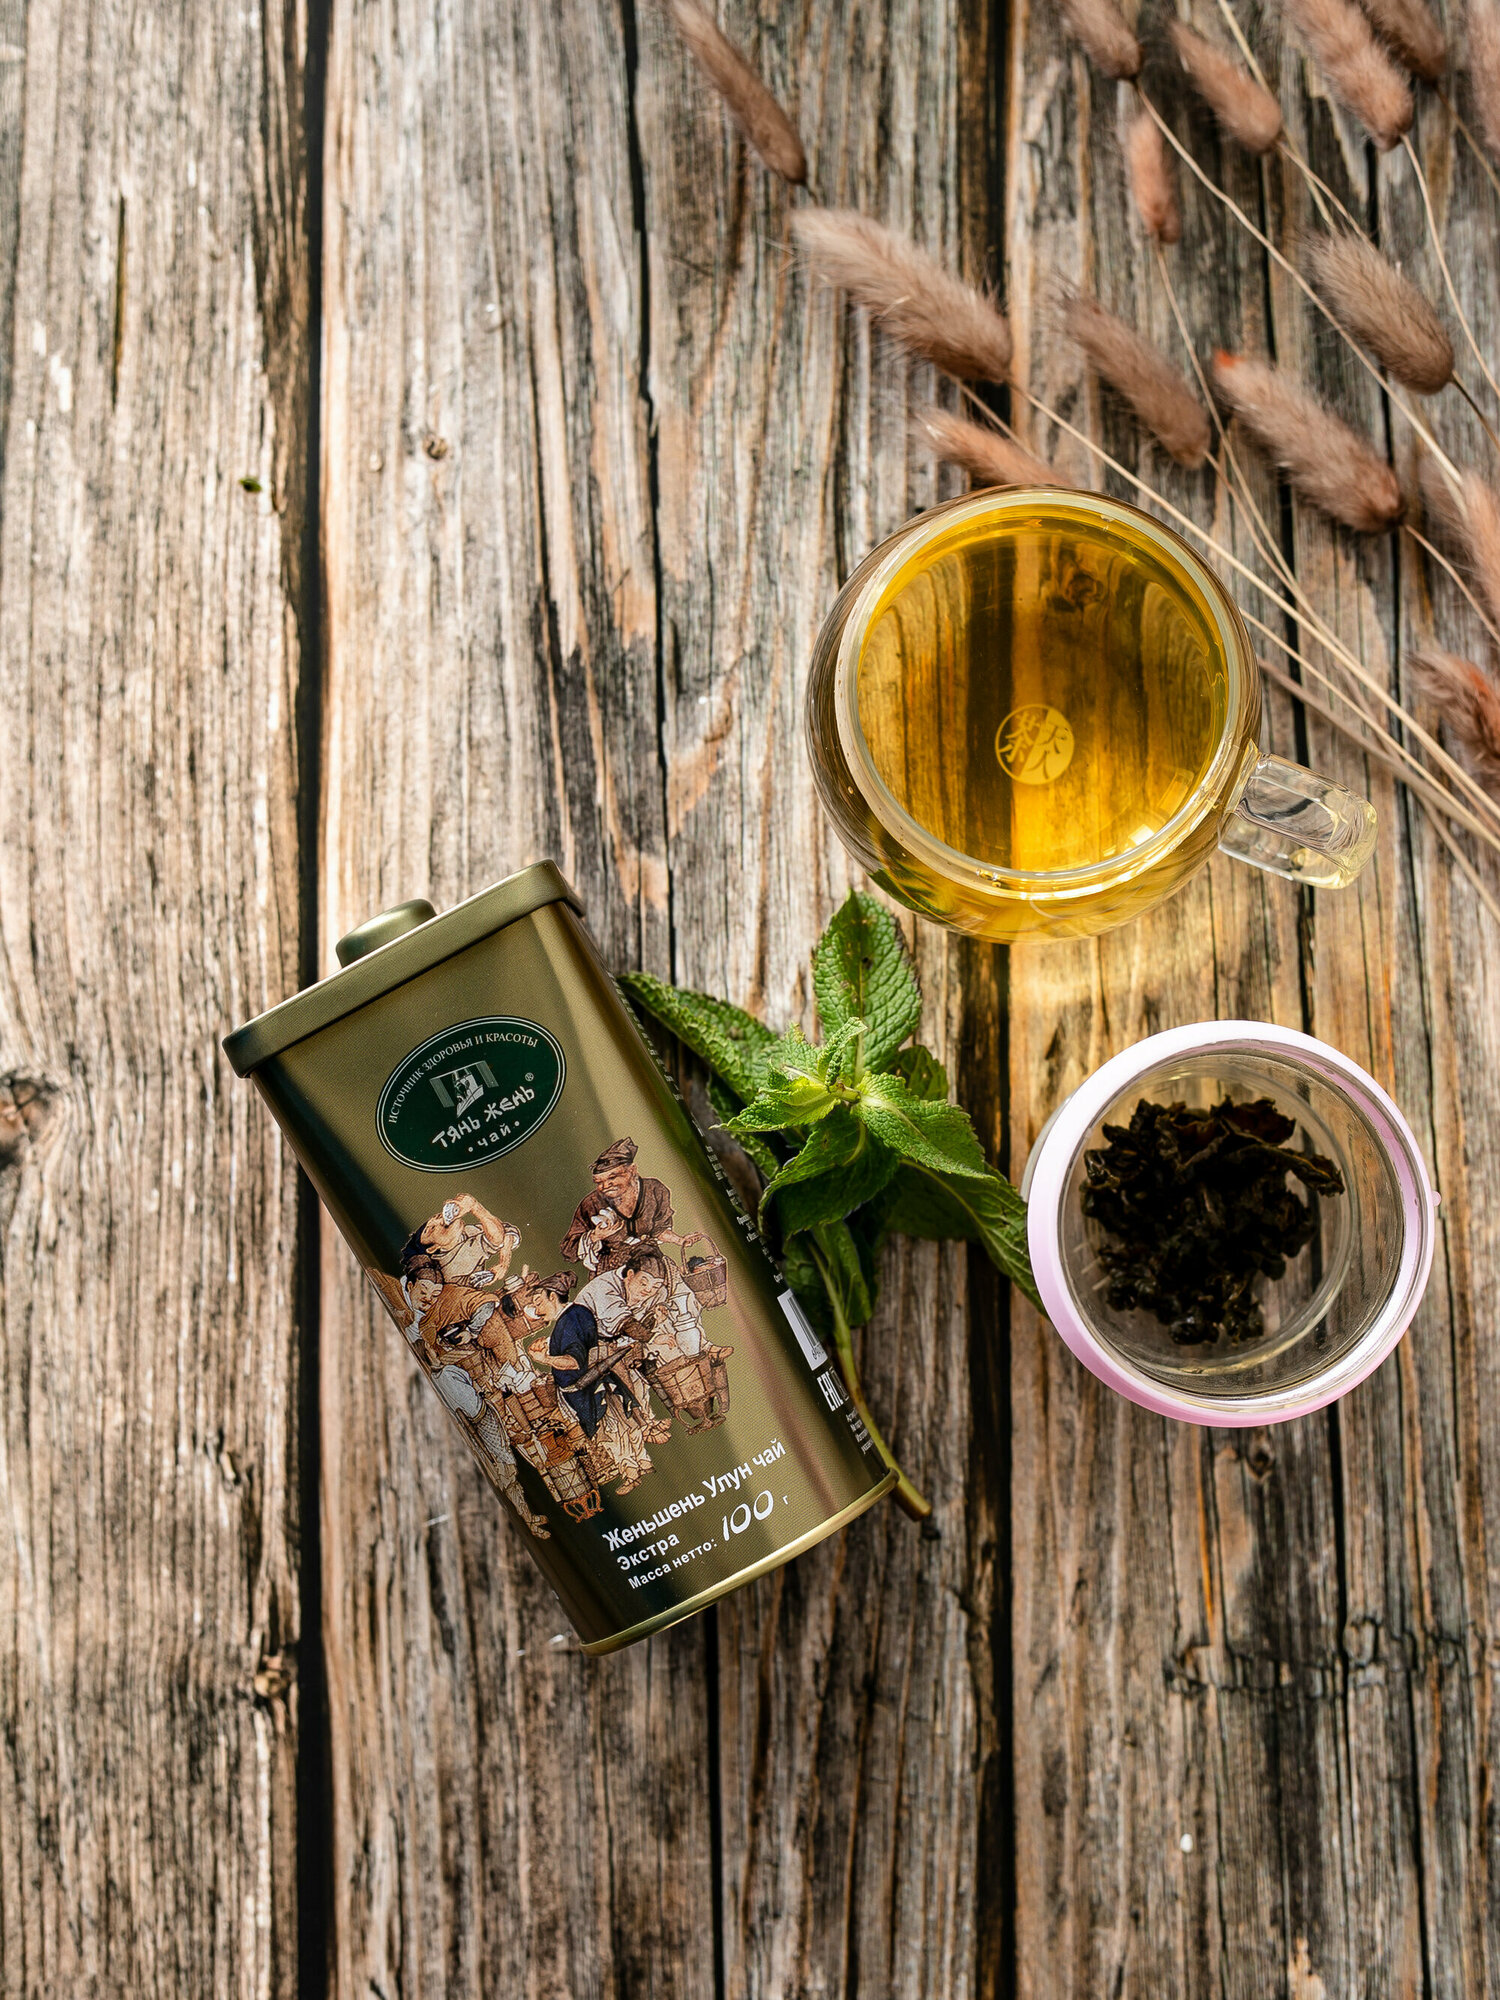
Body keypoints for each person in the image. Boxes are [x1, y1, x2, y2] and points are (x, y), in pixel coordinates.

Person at [559, 1138, 686, 1273]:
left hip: (650, 1266)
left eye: (612, 1178)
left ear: (632, 1170)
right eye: (599, 1182)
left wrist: (680, 1240)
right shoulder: (591, 1204)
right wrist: (595, 1236)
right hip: (610, 1272)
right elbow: (568, 1250)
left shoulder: (654, 1190)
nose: (605, 1186)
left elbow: (658, 1230)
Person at [402, 1192, 520, 1287]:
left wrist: (503, 1263)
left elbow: (506, 1229)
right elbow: (497, 1238)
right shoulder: (455, 1261)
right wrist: (475, 1207)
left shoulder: (464, 1234)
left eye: (436, 1217)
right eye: (432, 1229)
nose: (439, 1220)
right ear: (433, 1248)